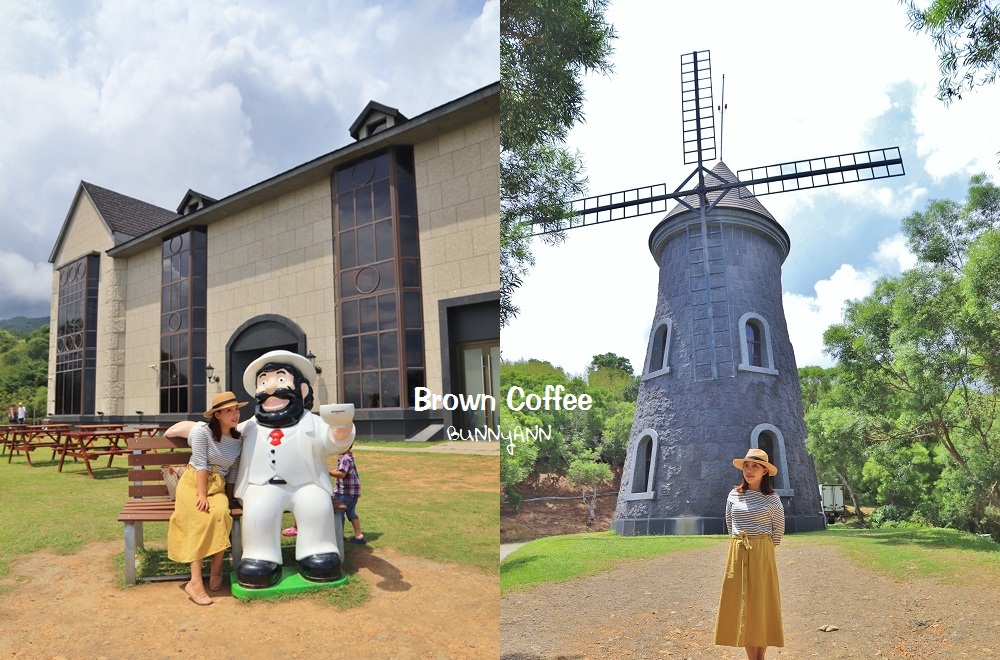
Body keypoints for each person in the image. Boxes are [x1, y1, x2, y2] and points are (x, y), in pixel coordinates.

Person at [232, 350, 355, 588]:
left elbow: (333, 442)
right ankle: (260, 556)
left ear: (302, 390)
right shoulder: (249, 427)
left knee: (315, 506)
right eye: (263, 382)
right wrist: (196, 432)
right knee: (259, 510)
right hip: (263, 485)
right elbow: (225, 439)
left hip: (306, 484)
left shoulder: (313, 423)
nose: (270, 388)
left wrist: (341, 431)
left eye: (280, 379)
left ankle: (317, 551)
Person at [167, 391, 247, 606]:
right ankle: (195, 582)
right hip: (194, 482)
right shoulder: (203, 432)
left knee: (221, 514)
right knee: (200, 518)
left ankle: (217, 566)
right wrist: (201, 494)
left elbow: (231, 472)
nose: (235, 414)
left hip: (217, 485)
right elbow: (201, 463)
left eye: (236, 409)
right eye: (229, 411)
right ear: (217, 415)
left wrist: (228, 498)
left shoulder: (237, 440)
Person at [714, 447, 785, 659]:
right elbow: (730, 523)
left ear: (765, 471)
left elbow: (778, 530)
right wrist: (740, 547)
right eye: (747, 465)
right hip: (738, 551)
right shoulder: (734, 495)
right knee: (741, 602)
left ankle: (760, 657)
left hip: (762, 552)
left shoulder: (772, 499)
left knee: (760, 603)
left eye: (755, 466)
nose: (749, 470)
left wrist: (763, 551)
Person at [330, 442, 365, 543]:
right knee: (351, 513)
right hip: (353, 493)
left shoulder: (345, 459)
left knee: (339, 514)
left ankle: (339, 536)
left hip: (344, 493)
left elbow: (341, 474)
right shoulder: (349, 457)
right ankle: (359, 535)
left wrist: (327, 472)